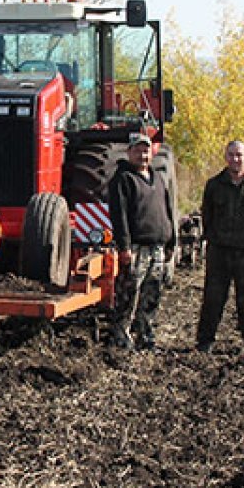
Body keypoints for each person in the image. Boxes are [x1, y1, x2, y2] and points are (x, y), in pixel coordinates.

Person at [196, 140, 244, 357]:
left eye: (239, 155)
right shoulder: (214, 185)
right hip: (219, 251)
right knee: (213, 297)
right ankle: (205, 341)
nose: (235, 159)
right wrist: (213, 239)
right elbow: (207, 217)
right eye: (231, 155)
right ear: (225, 157)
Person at [107, 132, 176, 350]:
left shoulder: (157, 177)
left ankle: (145, 335)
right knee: (129, 293)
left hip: (157, 246)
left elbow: (167, 211)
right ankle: (121, 336)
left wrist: (171, 242)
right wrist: (124, 247)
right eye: (137, 150)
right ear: (129, 153)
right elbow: (120, 216)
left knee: (152, 293)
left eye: (145, 150)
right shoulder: (122, 179)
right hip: (136, 248)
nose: (142, 155)